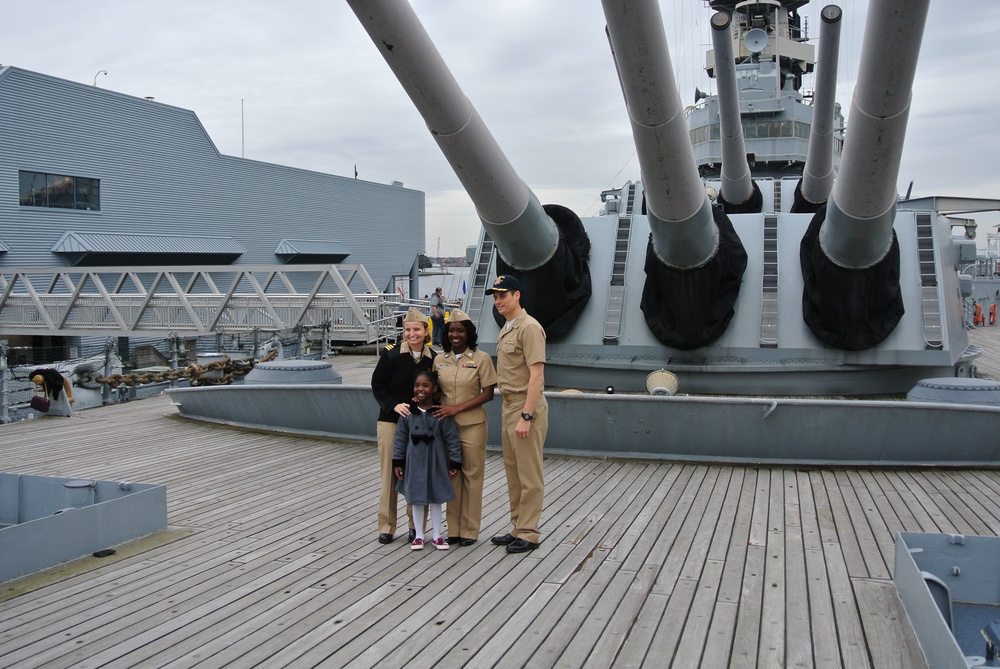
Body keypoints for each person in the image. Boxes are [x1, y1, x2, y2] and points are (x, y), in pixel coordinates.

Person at [486, 274, 547, 554]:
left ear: (517, 295)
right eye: (496, 296)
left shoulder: (529, 327)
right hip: (508, 405)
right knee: (513, 472)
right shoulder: (508, 327)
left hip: (524, 406)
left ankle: (530, 533)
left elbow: (537, 375)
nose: (499, 301)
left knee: (529, 474)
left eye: (503, 295)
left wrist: (526, 416)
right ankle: (517, 527)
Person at [371, 306, 436, 544]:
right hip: (392, 421)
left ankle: (415, 525)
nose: (411, 334)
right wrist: (393, 405)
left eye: (416, 329)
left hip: (419, 423)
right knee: (389, 475)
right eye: (408, 329)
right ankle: (387, 526)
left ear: (425, 330)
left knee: (416, 474)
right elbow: (378, 385)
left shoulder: (433, 358)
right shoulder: (391, 355)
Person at [432, 308, 497, 546]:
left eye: (460, 331)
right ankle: (455, 529)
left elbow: (488, 394)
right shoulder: (439, 360)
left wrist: (457, 409)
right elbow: (433, 390)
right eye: (451, 331)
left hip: (472, 425)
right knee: (452, 475)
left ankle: (470, 529)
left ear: (469, 333)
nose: (455, 335)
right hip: (445, 427)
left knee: (472, 476)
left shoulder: (481, 359)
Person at [392, 369, 462, 550]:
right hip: (414, 461)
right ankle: (419, 535)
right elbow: (400, 438)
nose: (420, 389)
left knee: (437, 498)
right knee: (415, 498)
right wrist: (397, 461)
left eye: (425, 385)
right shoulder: (408, 413)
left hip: (436, 462)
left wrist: (455, 461)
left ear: (434, 389)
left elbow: (452, 439)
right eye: (417, 385)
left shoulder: (440, 413)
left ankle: (438, 535)